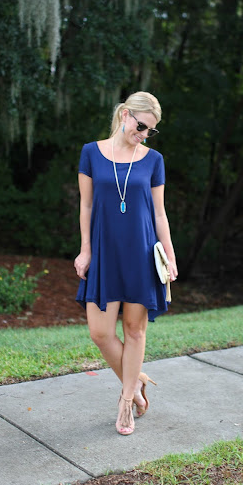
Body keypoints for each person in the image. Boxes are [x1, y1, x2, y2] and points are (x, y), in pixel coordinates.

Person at [74, 91, 177, 436]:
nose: (144, 134)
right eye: (141, 126)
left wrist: (170, 256)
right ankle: (137, 380)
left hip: (141, 252)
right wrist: (85, 250)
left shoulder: (153, 160)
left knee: (134, 330)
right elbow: (86, 206)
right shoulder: (91, 153)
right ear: (125, 115)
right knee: (100, 332)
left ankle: (126, 400)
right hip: (104, 251)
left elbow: (159, 213)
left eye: (151, 130)